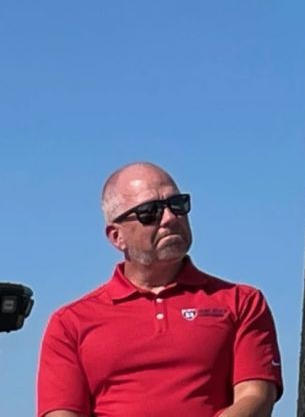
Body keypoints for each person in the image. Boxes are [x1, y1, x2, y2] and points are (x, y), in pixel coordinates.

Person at [37, 162, 283, 417]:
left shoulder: (241, 302)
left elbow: (256, 396)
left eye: (177, 205)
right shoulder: (70, 323)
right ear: (116, 236)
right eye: (150, 212)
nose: (170, 218)